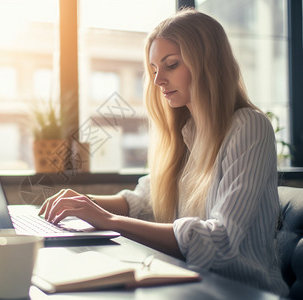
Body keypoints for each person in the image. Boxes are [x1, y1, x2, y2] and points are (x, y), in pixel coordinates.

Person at [39, 7, 289, 296]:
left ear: (208, 64)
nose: (158, 81)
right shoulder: (187, 131)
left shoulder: (249, 127)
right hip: (191, 282)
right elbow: (145, 201)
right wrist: (83, 203)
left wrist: (106, 220)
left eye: (171, 65)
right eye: (154, 69)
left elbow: (221, 239)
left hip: (241, 291)